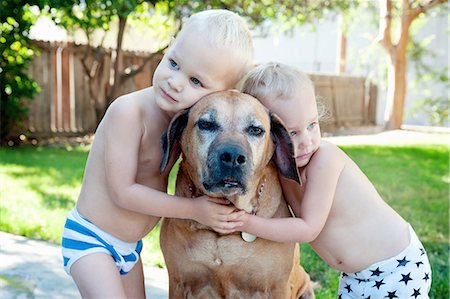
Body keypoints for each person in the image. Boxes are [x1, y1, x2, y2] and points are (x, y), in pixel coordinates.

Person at [61, 9, 254, 298]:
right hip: (91, 239)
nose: (175, 82)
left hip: (130, 247)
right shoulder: (128, 112)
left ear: (221, 94)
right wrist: (195, 211)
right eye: (174, 62)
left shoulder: (189, 127)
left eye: (196, 81)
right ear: (169, 46)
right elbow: (122, 192)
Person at [237, 62, 432, 298]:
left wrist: (246, 223)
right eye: (292, 133)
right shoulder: (281, 172)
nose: (307, 141)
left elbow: (308, 229)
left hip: (395, 267)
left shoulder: (325, 160)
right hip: (355, 276)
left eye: (312, 125)